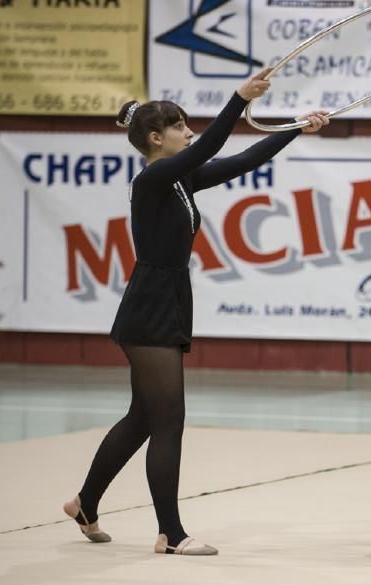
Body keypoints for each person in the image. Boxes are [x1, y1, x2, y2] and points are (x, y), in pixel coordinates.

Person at [62, 69, 330, 556]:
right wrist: (237, 99)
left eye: (190, 126)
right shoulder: (154, 179)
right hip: (149, 308)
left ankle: (85, 502)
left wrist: (294, 127)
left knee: (144, 418)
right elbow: (206, 149)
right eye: (182, 127)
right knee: (169, 420)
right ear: (155, 139)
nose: (189, 133)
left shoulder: (180, 180)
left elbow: (245, 159)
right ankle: (171, 533)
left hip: (166, 301)